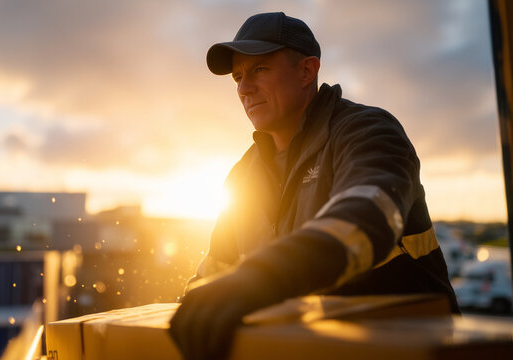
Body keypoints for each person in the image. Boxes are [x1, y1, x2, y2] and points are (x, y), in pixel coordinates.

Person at [168, 11, 460, 360]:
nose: (244, 88)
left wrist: (263, 276)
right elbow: (211, 278)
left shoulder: (368, 132)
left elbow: (365, 219)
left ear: (307, 70)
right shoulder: (242, 176)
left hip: (411, 350)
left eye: (259, 70)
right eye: (238, 77)